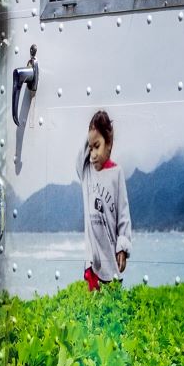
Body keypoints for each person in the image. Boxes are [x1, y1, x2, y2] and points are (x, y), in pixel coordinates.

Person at [77, 110, 131, 290]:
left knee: (111, 308)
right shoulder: (87, 172)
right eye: (90, 148)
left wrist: (122, 246)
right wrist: (92, 133)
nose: (92, 154)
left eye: (97, 146)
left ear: (109, 144)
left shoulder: (117, 173)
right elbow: (81, 157)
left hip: (111, 260)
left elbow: (123, 215)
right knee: (93, 310)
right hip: (92, 261)